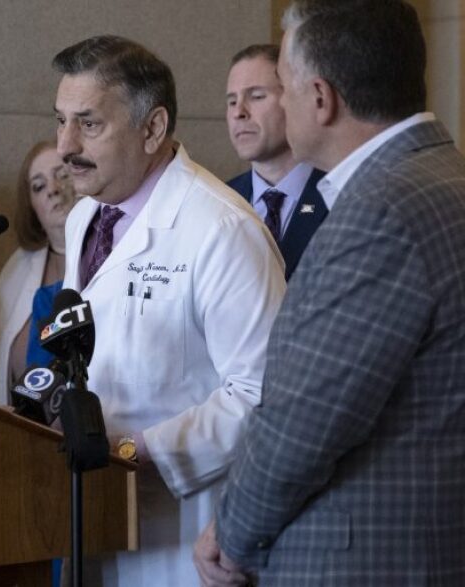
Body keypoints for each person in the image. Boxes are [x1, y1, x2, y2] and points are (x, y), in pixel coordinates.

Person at [195, 1, 465, 585]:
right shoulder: (442, 177)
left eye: (282, 89)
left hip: (362, 558)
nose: (281, 104)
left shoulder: (382, 210)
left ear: (321, 98)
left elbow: (305, 421)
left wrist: (233, 534)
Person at [52, 35, 286, 585]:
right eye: (59, 120)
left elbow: (262, 395)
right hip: (94, 514)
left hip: (184, 531)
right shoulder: (85, 217)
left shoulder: (222, 230)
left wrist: (135, 449)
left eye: (88, 124)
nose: (65, 145)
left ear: (152, 129)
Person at [0, 140, 77, 406]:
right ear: (31, 206)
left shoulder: (117, 253)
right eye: (39, 186)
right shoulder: (17, 269)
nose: (53, 190)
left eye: (63, 175)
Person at [225, 43, 327, 280]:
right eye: (231, 101)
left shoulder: (340, 194)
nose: (239, 112)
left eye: (257, 96)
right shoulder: (219, 200)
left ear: (293, 99)